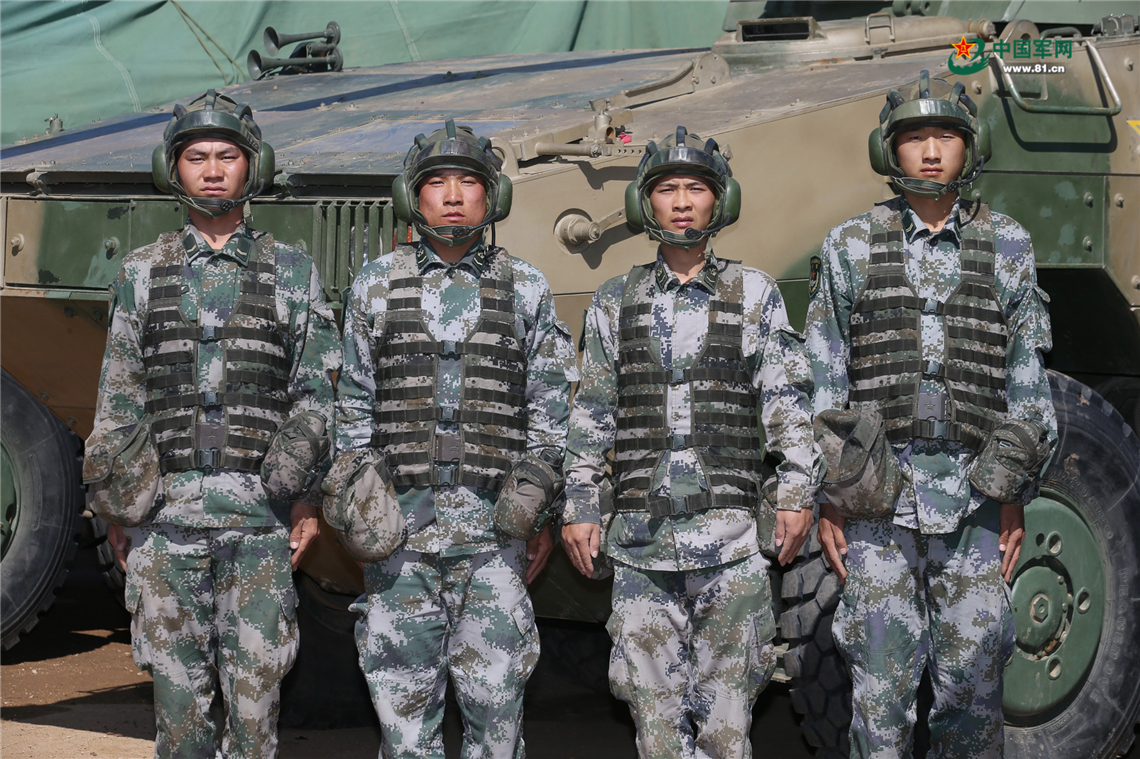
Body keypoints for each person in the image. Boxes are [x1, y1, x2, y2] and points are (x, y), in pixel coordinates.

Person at [805, 71, 1057, 758]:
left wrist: (1012, 494)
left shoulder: (1007, 245)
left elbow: (1026, 382)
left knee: (971, 702)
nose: (931, 151)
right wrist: (830, 496)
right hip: (876, 507)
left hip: (975, 505)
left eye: (946, 135)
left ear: (970, 147)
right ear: (889, 150)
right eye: (914, 137)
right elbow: (824, 380)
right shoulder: (850, 245)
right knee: (879, 702)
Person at [87, 90, 341, 758]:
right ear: (171, 169)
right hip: (165, 522)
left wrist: (307, 498)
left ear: (252, 166)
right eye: (196, 156)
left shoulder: (292, 272)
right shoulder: (141, 273)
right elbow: (120, 397)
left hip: (260, 522)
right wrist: (117, 507)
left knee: (255, 714)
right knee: (178, 718)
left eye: (227, 155)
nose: (212, 170)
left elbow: (315, 394)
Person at [562, 126, 823, 759]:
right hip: (641, 549)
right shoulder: (615, 300)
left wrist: (796, 491)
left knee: (727, 731)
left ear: (720, 201)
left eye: (697, 189)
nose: (682, 202)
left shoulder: (754, 294)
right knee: (655, 730)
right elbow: (592, 412)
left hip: (731, 547)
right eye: (667, 189)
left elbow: (787, 402)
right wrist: (581, 504)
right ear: (645, 204)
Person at [333, 119, 576, 759]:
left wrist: (539, 511)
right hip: (399, 541)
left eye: (467, 182)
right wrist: (362, 517)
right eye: (436, 182)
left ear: (491, 196)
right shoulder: (374, 286)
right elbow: (353, 408)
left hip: (494, 540)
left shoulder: (525, 286)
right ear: (411, 195)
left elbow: (550, 412)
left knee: (496, 717)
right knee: (403, 722)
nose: (451, 196)